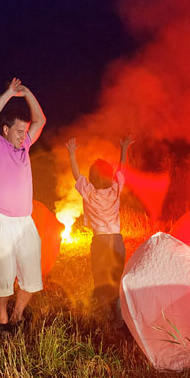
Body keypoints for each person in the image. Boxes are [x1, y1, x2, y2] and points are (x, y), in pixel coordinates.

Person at [0, 77, 46, 335]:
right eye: (19, 131)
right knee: (3, 276)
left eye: (24, 131)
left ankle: (17, 315)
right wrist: (9, 93)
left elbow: (40, 120)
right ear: (5, 130)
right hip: (0, 219)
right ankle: (2, 319)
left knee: (32, 275)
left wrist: (27, 93)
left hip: (25, 222)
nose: (23, 136)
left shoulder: (24, 146)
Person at [65, 135, 134, 322]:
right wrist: (124, 149)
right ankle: (119, 315)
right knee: (117, 277)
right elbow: (121, 170)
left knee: (101, 279)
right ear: (109, 176)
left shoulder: (89, 192)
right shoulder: (115, 190)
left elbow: (76, 175)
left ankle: (105, 315)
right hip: (116, 241)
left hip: (100, 242)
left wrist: (72, 154)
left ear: (92, 177)